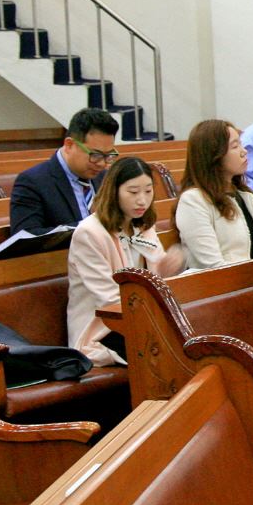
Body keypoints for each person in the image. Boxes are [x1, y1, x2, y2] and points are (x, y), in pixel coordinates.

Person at [66, 156, 184, 366]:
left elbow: (157, 277)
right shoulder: (89, 233)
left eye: (148, 191)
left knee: (191, 338)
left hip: (142, 317)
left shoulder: (143, 225)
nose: (142, 200)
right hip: (103, 328)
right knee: (166, 351)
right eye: (133, 192)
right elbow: (108, 299)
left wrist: (167, 268)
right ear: (114, 192)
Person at [175, 119, 253, 271]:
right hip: (229, 282)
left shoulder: (244, 195)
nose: (244, 151)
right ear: (214, 156)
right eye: (235, 146)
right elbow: (213, 266)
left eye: (241, 144)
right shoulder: (193, 201)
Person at [9, 108, 120, 235]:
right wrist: (89, 227)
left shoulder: (105, 177)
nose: (102, 163)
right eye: (95, 155)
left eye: (108, 155)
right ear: (69, 145)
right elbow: (26, 236)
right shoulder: (33, 182)